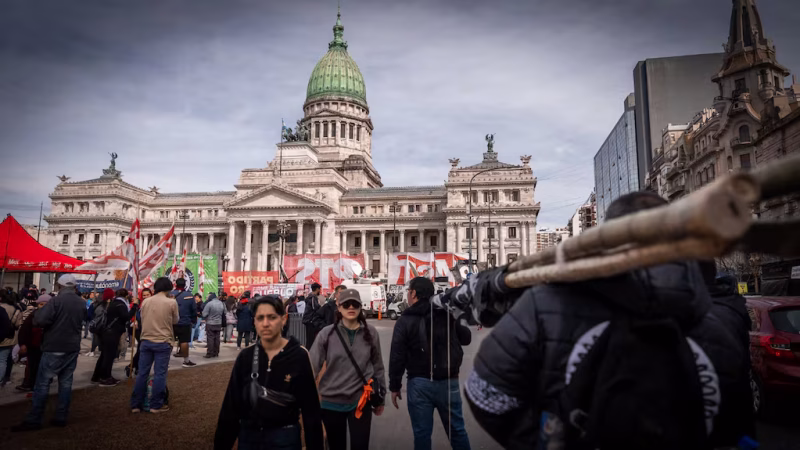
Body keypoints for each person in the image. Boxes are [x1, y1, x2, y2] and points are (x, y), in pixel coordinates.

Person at [462, 191, 754, 448]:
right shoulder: (715, 324)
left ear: (608, 236)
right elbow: (735, 427)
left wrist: (546, 441)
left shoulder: (547, 302)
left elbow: (485, 395)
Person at [215, 295, 324, 450]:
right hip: (249, 438)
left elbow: (311, 410)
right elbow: (230, 408)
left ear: (284, 319)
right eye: (260, 318)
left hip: (285, 438)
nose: (265, 324)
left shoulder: (299, 356)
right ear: (254, 322)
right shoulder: (245, 357)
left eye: (272, 317)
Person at [389, 277, 472, 450]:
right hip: (449, 380)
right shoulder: (446, 313)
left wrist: (395, 386)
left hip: (419, 382)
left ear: (413, 293)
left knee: (421, 435)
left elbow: (397, 356)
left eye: (408, 292)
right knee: (457, 431)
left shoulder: (405, 320)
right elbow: (466, 339)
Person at [309, 289, 386, 450]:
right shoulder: (326, 334)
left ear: (360, 307)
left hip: (361, 400)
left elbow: (378, 366)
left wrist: (381, 397)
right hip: (331, 403)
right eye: (346, 304)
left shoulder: (371, 332)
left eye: (355, 304)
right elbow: (311, 367)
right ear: (339, 307)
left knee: (360, 446)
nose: (351, 307)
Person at [11, 275, 87, 431]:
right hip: (72, 346)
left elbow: (39, 320)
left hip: (54, 346)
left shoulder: (56, 301)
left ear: (60, 286)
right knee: (65, 383)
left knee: (43, 383)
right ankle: (61, 416)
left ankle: (35, 419)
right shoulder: (81, 302)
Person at [130, 277, 180, 414]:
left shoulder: (146, 301)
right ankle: (155, 405)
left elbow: (142, 318)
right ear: (169, 287)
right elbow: (176, 320)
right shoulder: (171, 302)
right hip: (163, 341)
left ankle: (136, 404)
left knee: (142, 373)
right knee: (160, 374)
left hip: (146, 340)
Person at [92, 288, 135, 387]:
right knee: (109, 356)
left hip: (106, 332)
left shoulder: (113, 303)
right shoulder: (120, 304)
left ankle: (97, 376)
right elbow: (126, 317)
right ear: (126, 296)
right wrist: (134, 307)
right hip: (112, 333)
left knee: (104, 355)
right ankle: (105, 377)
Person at [15, 294, 51, 391]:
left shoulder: (53, 316)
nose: (42, 306)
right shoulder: (33, 315)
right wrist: (23, 344)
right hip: (33, 345)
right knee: (32, 365)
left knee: (44, 366)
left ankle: (39, 383)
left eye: (45, 304)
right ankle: (29, 383)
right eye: (41, 304)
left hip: (47, 346)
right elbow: (24, 330)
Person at [127, 288, 153, 378]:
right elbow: (136, 314)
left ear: (151, 294)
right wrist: (136, 320)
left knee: (141, 349)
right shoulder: (140, 304)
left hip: (149, 329)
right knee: (142, 349)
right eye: (144, 295)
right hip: (140, 329)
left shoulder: (153, 303)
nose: (145, 297)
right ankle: (133, 366)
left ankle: (134, 366)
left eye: (147, 295)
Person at [0, 290, 23, 386]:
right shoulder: (16, 309)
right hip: (9, 338)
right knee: (3, 360)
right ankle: (3, 379)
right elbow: (18, 324)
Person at [171, 278, 197, 368]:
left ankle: (165, 361)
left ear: (175, 284)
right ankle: (186, 361)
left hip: (171, 322)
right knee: (184, 341)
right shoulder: (189, 295)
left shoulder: (170, 294)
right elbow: (194, 309)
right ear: (185, 284)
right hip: (185, 322)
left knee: (170, 341)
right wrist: (194, 320)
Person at [87, 290, 109, 356]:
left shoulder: (94, 304)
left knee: (95, 337)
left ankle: (92, 351)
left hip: (95, 323)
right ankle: (101, 350)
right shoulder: (107, 305)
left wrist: (92, 320)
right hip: (105, 324)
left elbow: (89, 314)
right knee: (101, 338)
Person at [203, 292, 225, 358]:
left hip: (210, 323)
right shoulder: (221, 303)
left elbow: (204, 314)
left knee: (210, 338)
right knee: (217, 338)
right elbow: (225, 312)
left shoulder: (209, 304)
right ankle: (216, 352)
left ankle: (210, 353)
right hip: (219, 323)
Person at [302, 283, 323, 347]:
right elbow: (315, 307)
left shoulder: (310, 297)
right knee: (310, 339)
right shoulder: (313, 297)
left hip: (309, 320)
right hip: (310, 320)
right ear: (317, 289)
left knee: (310, 339)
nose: (320, 291)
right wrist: (321, 308)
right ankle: (309, 353)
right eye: (319, 289)